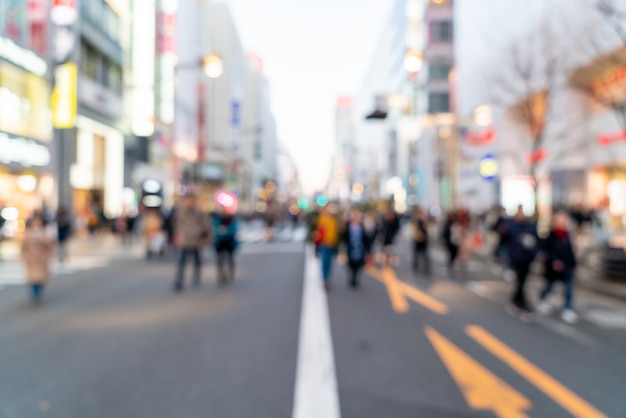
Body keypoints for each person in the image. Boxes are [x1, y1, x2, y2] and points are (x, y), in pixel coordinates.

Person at [537, 211, 579, 324]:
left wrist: (574, 264)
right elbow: (545, 252)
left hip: (566, 269)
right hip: (552, 270)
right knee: (549, 287)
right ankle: (542, 299)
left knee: (568, 290)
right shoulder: (550, 236)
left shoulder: (566, 236)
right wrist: (553, 262)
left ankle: (567, 308)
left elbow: (570, 252)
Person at [505, 205, 539, 320]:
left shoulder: (530, 227)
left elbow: (535, 242)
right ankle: (524, 305)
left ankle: (515, 301)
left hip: (527, 259)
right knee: (520, 281)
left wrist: (534, 254)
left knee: (522, 281)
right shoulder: (511, 226)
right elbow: (506, 241)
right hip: (516, 258)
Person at [173, 193, 212, 292]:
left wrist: (205, 236)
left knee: (197, 261)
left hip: (196, 240)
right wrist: (178, 235)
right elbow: (177, 225)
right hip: (185, 241)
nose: (188, 202)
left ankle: (196, 279)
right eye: (187, 200)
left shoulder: (199, 212)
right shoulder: (181, 212)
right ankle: (179, 281)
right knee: (181, 262)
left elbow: (206, 225)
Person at [21, 215, 55, 304]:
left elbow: (51, 246)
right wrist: (25, 257)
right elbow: (23, 247)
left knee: (41, 280)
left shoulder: (45, 233)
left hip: (42, 260)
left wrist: (42, 239)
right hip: (32, 260)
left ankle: (38, 293)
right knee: (33, 279)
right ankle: (36, 296)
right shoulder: (28, 234)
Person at [314, 205, 339, 290]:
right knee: (325, 262)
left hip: (331, 244)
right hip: (324, 244)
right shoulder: (321, 219)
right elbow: (319, 231)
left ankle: (327, 278)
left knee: (329, 263)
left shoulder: (333, 220)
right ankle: (325, 279)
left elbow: (335, 232)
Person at [213, 206, 239, 285]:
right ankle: (221, 275)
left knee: (230, 259)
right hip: (220, 242)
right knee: (219, 260)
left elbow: (234, 229)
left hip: (229, 242)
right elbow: (215, 229)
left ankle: (231, 273)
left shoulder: (231, 219)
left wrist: (225, 231)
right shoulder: (217, 219)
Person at [342, 210, 368, 288]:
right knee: (351, 264)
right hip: (351, 248)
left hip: (359, 248)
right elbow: (345, 237)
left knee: (359, 264)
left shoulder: (362, 226)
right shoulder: (348, 225)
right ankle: (352, 278)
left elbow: (365, 238)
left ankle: (356, 278)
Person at [411, 207, 430, 275]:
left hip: (424, 240)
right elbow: (413, 231)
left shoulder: (424, 221)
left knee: (425, 255)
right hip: (417, 240)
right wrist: (418, 235)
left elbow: (427, 229)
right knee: (416, 255)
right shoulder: (415, 222)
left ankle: (426, 269)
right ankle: (416, 267)